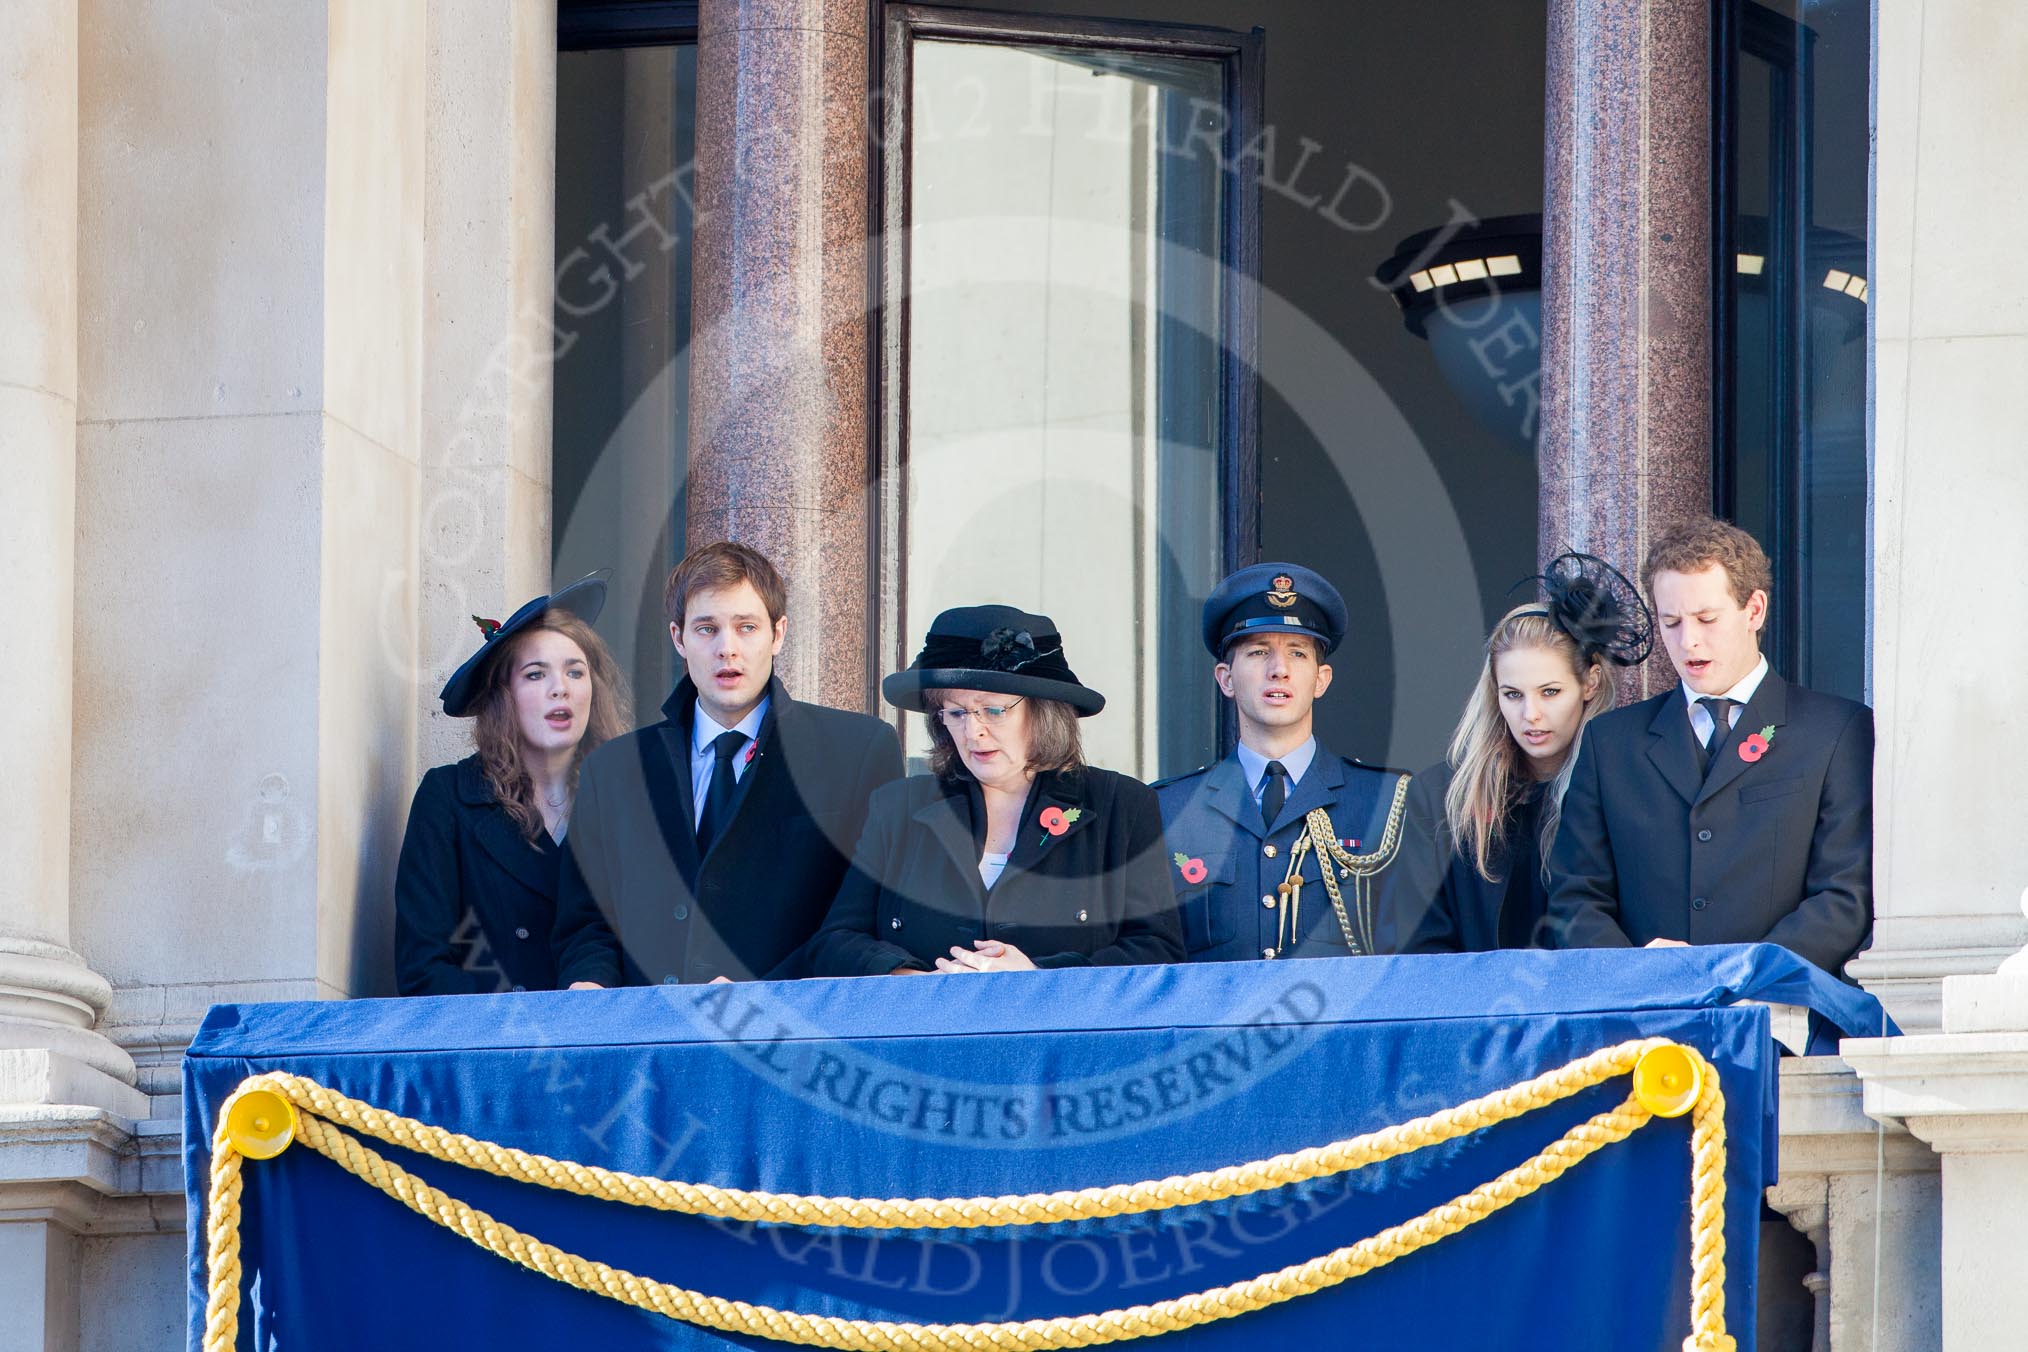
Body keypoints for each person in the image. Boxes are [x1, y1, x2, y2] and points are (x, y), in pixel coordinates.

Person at [550, 542, 903, 987]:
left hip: (792, 1038)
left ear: (778, 634)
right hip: (648, 1037)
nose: (727, 649)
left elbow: (865, 919)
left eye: (747, 627)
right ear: (678, 637)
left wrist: (762, 997)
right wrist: (591, 987)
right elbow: (585, 923)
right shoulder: (614, 770)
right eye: (706, 629)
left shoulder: (857, 750)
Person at [1544, 516, 1874, 975]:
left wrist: (1745, 971)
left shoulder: (1837, 730)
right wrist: (1637, 971)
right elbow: (1575, 897)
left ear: (1754, 610)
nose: (1688, 641)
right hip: (1645, 1017)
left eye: (1706, 618)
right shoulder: (1610, 742)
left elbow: (1845, 896)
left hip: (1781, 1021)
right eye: (1671, 622)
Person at [809, 605, 1184, 976]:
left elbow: (1157, 950)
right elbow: (836, 942)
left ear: (1043, 712)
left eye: (993, 711)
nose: (973, 732)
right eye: (956, 713)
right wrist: (911, 982)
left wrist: (1038, 975)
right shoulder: (898, 806)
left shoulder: (1121, 805)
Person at [1384, 553, 1650, 953]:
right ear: (1495, 693)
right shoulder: (1439, 797)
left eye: (1550, 692)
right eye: (1513, 694)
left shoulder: (1627, 789)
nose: (1531, 715)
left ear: (1590, 683)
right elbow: (1414, 943)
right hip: (1475, 1011)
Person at [1155, 564, 1412, 962]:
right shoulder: (1168, 809)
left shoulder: (1388, 801)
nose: (1279, 669)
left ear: (1321, 679)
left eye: (1297, 653)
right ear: (1225, 678)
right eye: (1259, 652)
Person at [395, 575, 630, 995]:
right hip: (491, 1048)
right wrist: (520, 1024)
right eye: (536, 675)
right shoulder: (449, 799)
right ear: (504, 695)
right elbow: (422, 967)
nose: (561, 689)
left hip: (603, 1044)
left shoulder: (624, 804)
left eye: (575, 672)